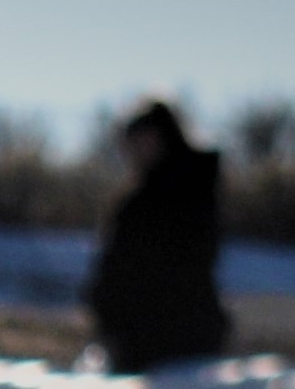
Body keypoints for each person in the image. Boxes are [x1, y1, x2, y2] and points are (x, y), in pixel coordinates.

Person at [85, 97, 232, 374]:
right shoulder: (193, 190)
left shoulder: (169, 198)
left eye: (136, 141)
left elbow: (141, 270)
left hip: (156, 345)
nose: (129, 153)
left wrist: (116, 319)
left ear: (155, 138)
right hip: (179, 339)